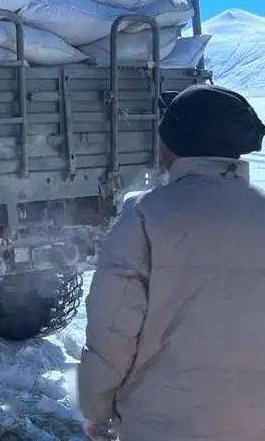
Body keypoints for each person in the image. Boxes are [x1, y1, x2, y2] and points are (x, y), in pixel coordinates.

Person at [78, 84, 265, 441]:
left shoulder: (145, 215)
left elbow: (113, 330)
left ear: (174, 143)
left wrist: (96, 409)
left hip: (163, 425)